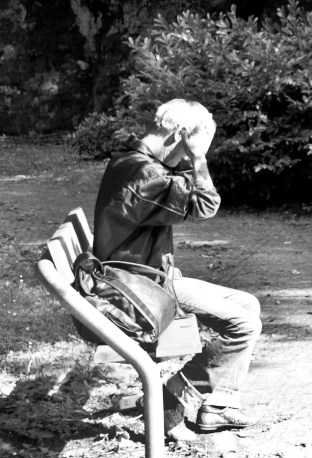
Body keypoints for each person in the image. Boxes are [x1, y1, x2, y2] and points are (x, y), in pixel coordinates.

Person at [93, 99, 261, 439]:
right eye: (187, 149)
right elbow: (205, 204)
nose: (185, 160)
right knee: (243, 325)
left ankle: (215, 404)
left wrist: (190, 156)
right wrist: (198, 158)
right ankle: (174, 400)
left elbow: (186, 191)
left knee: (248, 305)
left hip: (146, 276)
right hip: (140, 287)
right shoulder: (146, 175)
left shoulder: (132, 160)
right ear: (180, 136)